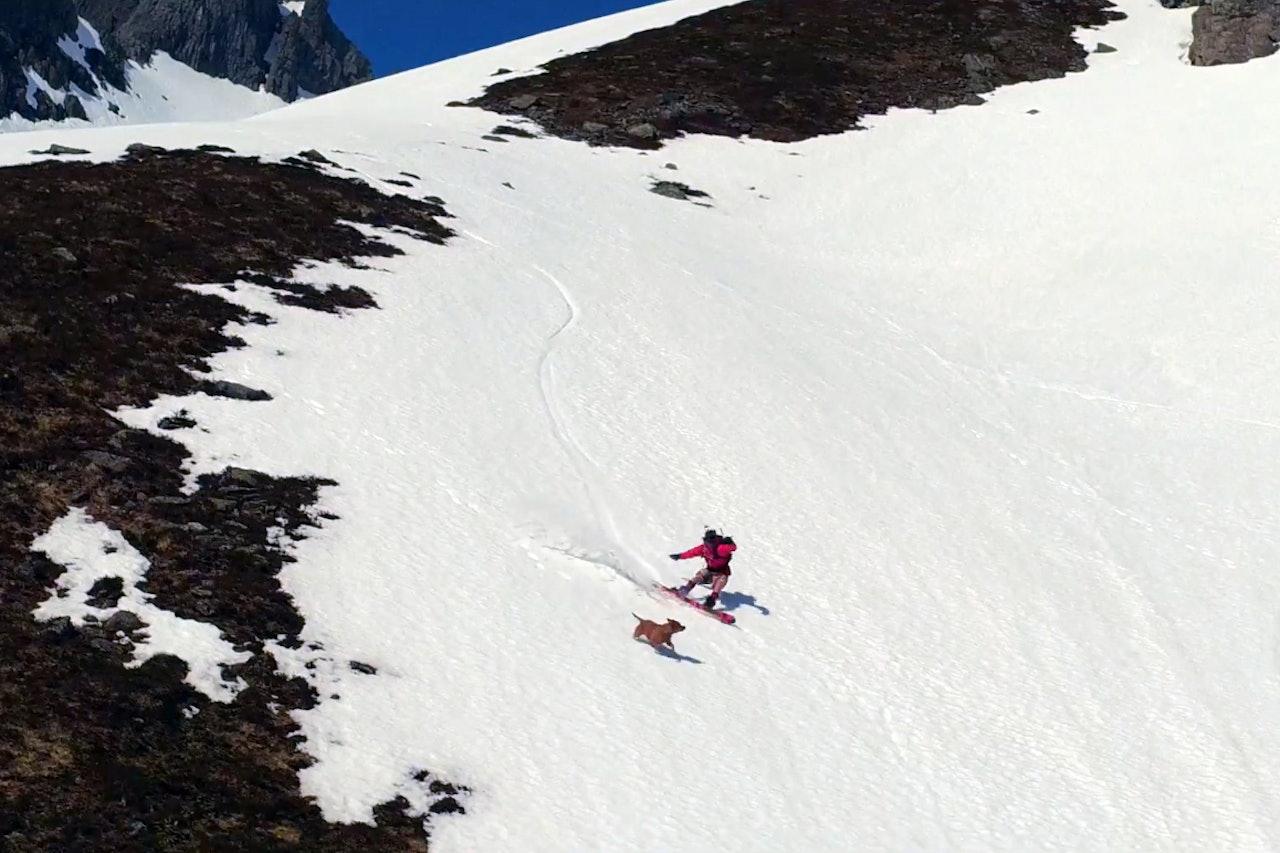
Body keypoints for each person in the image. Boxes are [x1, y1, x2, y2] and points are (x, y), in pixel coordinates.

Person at [669, 528, 737, 609]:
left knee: (720, 582)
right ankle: (685, 590)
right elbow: (692, 552)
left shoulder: (721, 548)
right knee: (699, 576)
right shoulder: (704, 548)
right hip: (710, 570)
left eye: (712, 541)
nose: (710, 543)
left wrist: (730, 542)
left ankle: (711, 600)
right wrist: (679, 556)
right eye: (708, 541)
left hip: (721, 573)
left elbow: (733, 548)